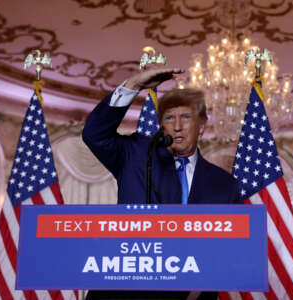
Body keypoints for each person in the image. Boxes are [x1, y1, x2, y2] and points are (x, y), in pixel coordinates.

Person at [82, 67, 241, 300]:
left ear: (202, 126)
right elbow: (94, 134)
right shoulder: (135, 155)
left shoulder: (224, 185)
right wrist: (133, 85)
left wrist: (198, 288)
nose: (177, 126)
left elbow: (228, 251)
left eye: (186, 117)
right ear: (161, 126)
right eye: (169, 118)